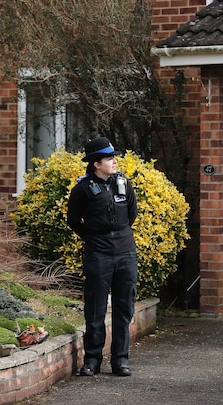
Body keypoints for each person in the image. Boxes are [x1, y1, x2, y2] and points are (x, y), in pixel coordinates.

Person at [67, 136, 139, 377]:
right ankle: (92, 361)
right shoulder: (83, 189)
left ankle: (120, 360)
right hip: (98, 255)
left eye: (114, 157)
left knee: (124, 307)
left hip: (125, 252)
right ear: (96, 163)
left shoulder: (123, 184)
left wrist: (117, 236)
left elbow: (132, 213)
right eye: (109, 158)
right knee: (96, 309)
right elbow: (73, 220)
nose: (114, 161)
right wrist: (95, 237)